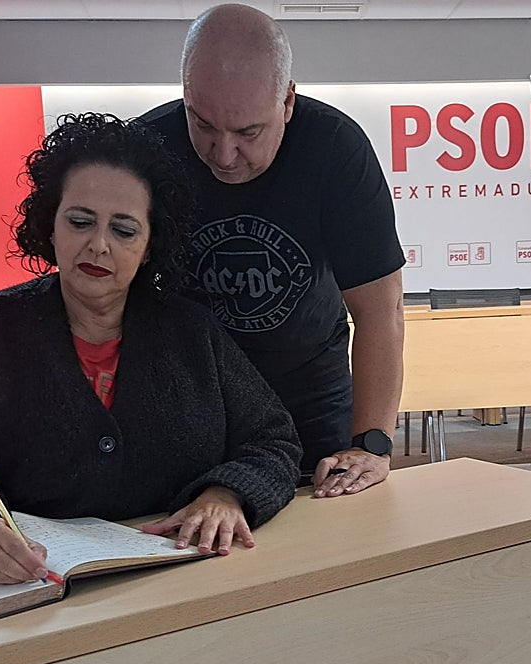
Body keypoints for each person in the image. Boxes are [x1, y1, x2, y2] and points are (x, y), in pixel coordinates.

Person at [0, 113, 301, 583]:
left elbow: (272, 438)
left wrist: (227, 493)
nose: (99, 245)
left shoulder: (191, 332)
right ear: (50, 225)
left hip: (184, 585)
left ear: (148, 246)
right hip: (30, 592)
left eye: (124, 231)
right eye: (80, 221)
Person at [141, 3, 406, 498]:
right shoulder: (147, 148)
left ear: (286, 102)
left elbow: (380, 311)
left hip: (309, 393)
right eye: (202, 124)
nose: (223, 155)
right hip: (191, 397)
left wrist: (372, 444)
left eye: (248, 132)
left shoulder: (335, 149)